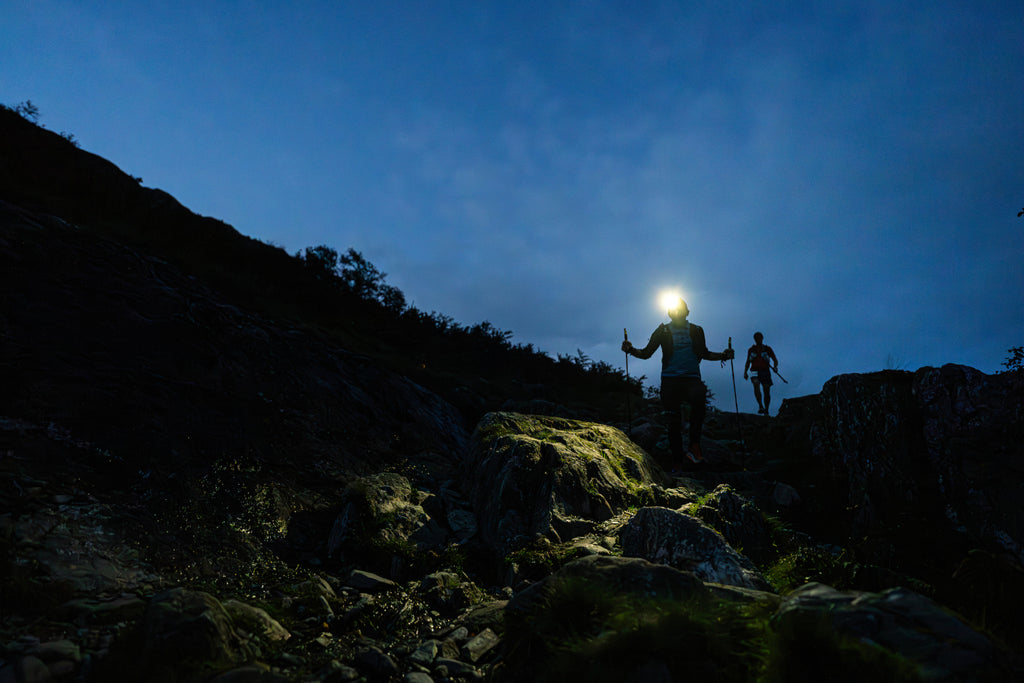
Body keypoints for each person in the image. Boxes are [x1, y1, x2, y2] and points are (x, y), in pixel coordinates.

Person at [621, 297, 733, 468]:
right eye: (675, 310)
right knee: (674, 420)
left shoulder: (696, 330)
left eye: (681, 309)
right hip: (671, 379)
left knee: (697, 408)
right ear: (670, 313)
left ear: (687, 312)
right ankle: (678, 460)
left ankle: (692, 448)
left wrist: (723, 356)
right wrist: (630, 350)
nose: (678, 312)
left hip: (690, 378)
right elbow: (646, 353)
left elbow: (704, 353)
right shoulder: (662, 331)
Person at [743, 332, 779, 415]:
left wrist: (775, 367)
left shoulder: (767, 349)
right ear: (754, 339)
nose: (757, 339)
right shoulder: (751, 350)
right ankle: (760, 406)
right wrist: (745, 372)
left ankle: (766, 409)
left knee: (766, 390)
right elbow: (748, 362)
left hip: (765, 371)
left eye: (759, 337)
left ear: (762, 338)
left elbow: (775, 359)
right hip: (754, 371)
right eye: (756, 338)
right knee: (756, 384)